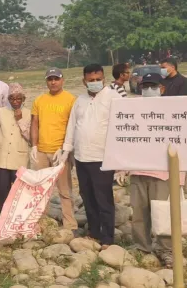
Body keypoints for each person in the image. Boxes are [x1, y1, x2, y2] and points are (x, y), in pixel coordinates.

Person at [115, 72, 185, 268]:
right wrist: (122, 167)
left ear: (162, 88)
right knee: (139, 212)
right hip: (138, 171)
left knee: (164, 213)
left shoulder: (174, 112)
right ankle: (141, 245)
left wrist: (179, 175)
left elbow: (184, 142)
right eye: (145, 86)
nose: (148, 90)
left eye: (152, 86)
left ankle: (166, 249)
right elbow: (126, 140)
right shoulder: (133, 111)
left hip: (163, 173)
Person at [58, 64, 118, 248]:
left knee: (103, 197)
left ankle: (107, 237)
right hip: (82, 157)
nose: (95, 83)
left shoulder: (113, 98)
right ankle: (94, 231)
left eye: (98, 79)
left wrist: (121, 160)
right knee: (87, 196)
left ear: (104, 79)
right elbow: (72, 126)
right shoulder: (80, 100)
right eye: (91, 80)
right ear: (84, 81)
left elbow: (120, 127)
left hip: (102, 157)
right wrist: (66, 150)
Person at [30, 67, 79, 234]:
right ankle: (41, 222)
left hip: (61, 152)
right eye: (50, 79)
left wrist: (66, 149)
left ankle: (70, 224)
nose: (53, 82)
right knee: (41, 189)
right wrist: (34, 145)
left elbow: (73, 126)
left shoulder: (71, 99)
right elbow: (35, 123)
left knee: (65, 190)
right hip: (42, 151)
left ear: (62, 80)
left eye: (56, 79)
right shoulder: (39, 100)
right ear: (46, 81)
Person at [0, 83, 30, 210]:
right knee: (3, 189)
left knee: (19, 189)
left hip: (19, 159)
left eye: (18, 98)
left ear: (23, 99)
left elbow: (30, 137)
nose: (15, 101)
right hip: (1, 158)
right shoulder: (1, 112)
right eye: (12, 98)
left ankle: (17, 216)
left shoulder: (29, 114)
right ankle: (3, 215)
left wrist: (20, 120)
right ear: (8, 99)